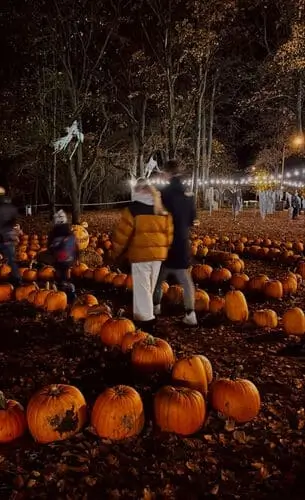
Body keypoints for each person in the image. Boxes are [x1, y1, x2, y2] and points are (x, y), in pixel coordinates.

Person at [111, 178, 174, 333]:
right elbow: (169, 233)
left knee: (142, 287)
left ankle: (145, 320)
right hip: (158, 255)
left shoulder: (133, 210)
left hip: (140, 254)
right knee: (150, 285)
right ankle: (147, 314)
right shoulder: (161, 209)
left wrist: (115, 252)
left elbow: (122, 234)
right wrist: (165, 247)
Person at [153, 159, 198, 326]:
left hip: (165, 242)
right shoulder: (188, 195)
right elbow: (192, 220)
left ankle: (156, 305)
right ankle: (190, 313)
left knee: (158, 278)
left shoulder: (163, 194)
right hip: (182, 241)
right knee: (186, 281)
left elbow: (157, 216)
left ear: (167, 173)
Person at [48, 210, 78, 302]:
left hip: (59, 259)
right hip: (69, 259)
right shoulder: (70, 234)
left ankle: (63, 291)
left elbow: (50, 247)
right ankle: (70, 292)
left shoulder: (53, 234)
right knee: (66, 274)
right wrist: (76, 257)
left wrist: (52, 254)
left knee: (60, 275)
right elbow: (76, 247)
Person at [0, 187, 21, 285]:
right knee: (12, 259)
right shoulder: (12, 208)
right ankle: (17, 279)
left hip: (1, 236)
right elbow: (15, 222)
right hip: (9, 237)